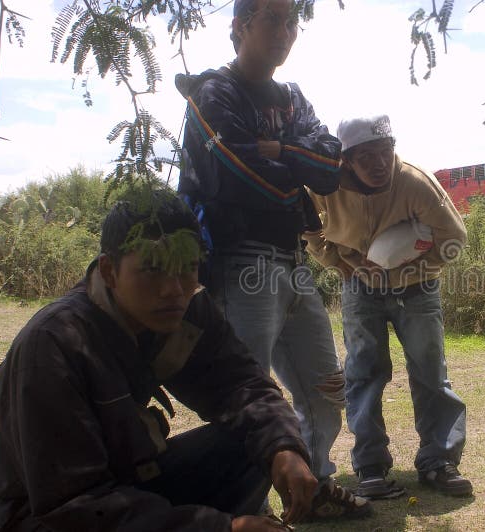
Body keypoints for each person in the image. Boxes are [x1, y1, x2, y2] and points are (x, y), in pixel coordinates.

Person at [0, 188, 318, 531]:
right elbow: (71, 506)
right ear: (109, 271)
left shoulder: (187, 309)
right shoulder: (55, 343)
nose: (173, 289)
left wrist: (284, 448)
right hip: (31, 512)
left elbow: (242, 385)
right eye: (153, 270)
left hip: (122, 485)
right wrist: (221, 528)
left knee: (253, 438)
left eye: (187, 267)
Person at [175, 0, 370, 519]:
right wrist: (293, 165)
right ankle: (250, 505)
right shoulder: (213, 92)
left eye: (292, 21)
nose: (285, 31)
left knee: (327, 387)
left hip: (291, 257)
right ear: (239, 27)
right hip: (241, 260)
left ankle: (312, 485)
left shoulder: (293, 96)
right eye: (272, 20)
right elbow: (238, 172)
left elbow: (331, 163)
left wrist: (280, 150)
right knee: (247, 392)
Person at [303, 114, 473, 499]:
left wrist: (405, 267)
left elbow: (454, 239)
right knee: (363, 373)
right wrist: (343, 265)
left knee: (431, 372)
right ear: (345, 160)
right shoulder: (324, 186)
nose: (380, 163)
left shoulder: (415, 182)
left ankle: (439, 462)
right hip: (358, 287)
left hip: (418, 287)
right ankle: (370, 467)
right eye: (366, 156)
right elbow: (310, 230)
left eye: (386, 150)